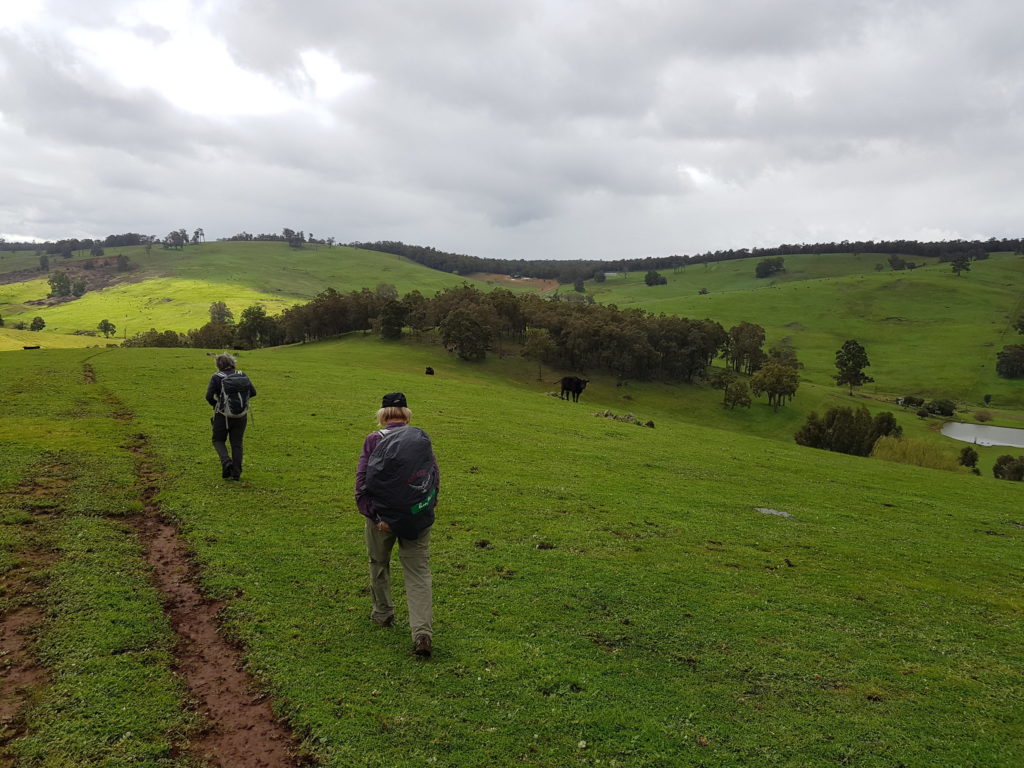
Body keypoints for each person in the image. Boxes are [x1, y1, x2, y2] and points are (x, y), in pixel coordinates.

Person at [355, 392, 439, 657]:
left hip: (382, 519)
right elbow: (433, 478)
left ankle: (383, 613)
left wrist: (377, 517)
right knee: (418, 573)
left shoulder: (373, 440)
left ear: (382, 414)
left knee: (379, 562)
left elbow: (362, 482)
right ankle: (422, 632)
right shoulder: (419, 439)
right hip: (417, 518)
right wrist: (423, 510)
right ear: (406, 413)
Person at [205, 353, 256, 481]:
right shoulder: (242, 374)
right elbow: (253, 392)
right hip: (241, 415)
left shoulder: (216, 377)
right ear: (232, 363)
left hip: (222, 415)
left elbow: (208, 397)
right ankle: (236, 473)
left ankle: (226, 461)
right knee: (237, 443)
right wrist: (240, 403)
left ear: (218, 365)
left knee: (218, 440)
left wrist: (217, 405)